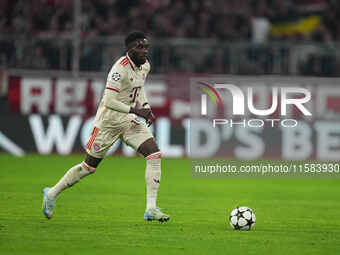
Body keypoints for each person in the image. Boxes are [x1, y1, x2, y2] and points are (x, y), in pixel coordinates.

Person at [42, 31, 170, 222]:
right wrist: (136, 111)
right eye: (139, 47)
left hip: (128, 121)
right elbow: (109, 100)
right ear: (129, 49)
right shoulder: (119, 69)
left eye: (146, 47)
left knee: (154, 154)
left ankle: (150, 208)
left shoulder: (145, 66)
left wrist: (146, 107)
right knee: (88, 167)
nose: (144, 51)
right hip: (108, 123)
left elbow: (139, 88)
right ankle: (51, 194)